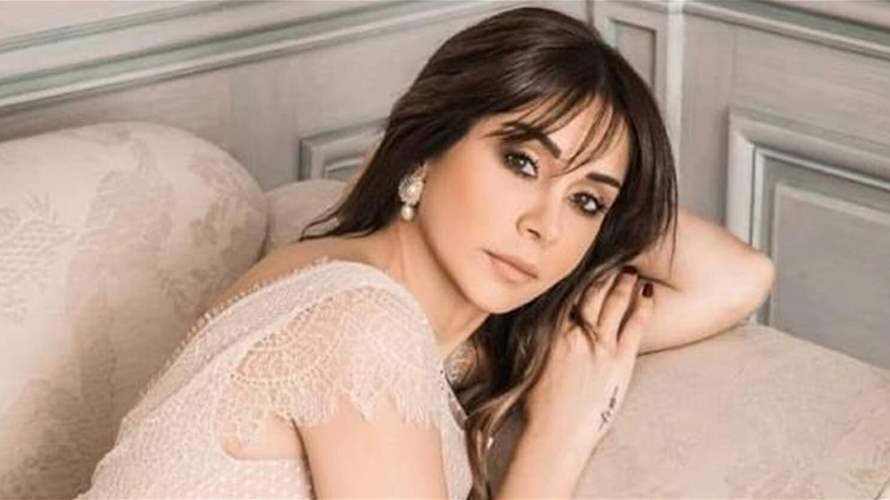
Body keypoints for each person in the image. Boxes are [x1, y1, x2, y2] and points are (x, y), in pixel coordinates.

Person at [75, 6, 679, 500]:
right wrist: (560, 437)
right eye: (520, 163)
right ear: (429, 142)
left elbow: (726, 277)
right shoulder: (357, 324)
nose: (544, 226)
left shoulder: (444, 338)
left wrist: (616, 204)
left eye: (586, 202)